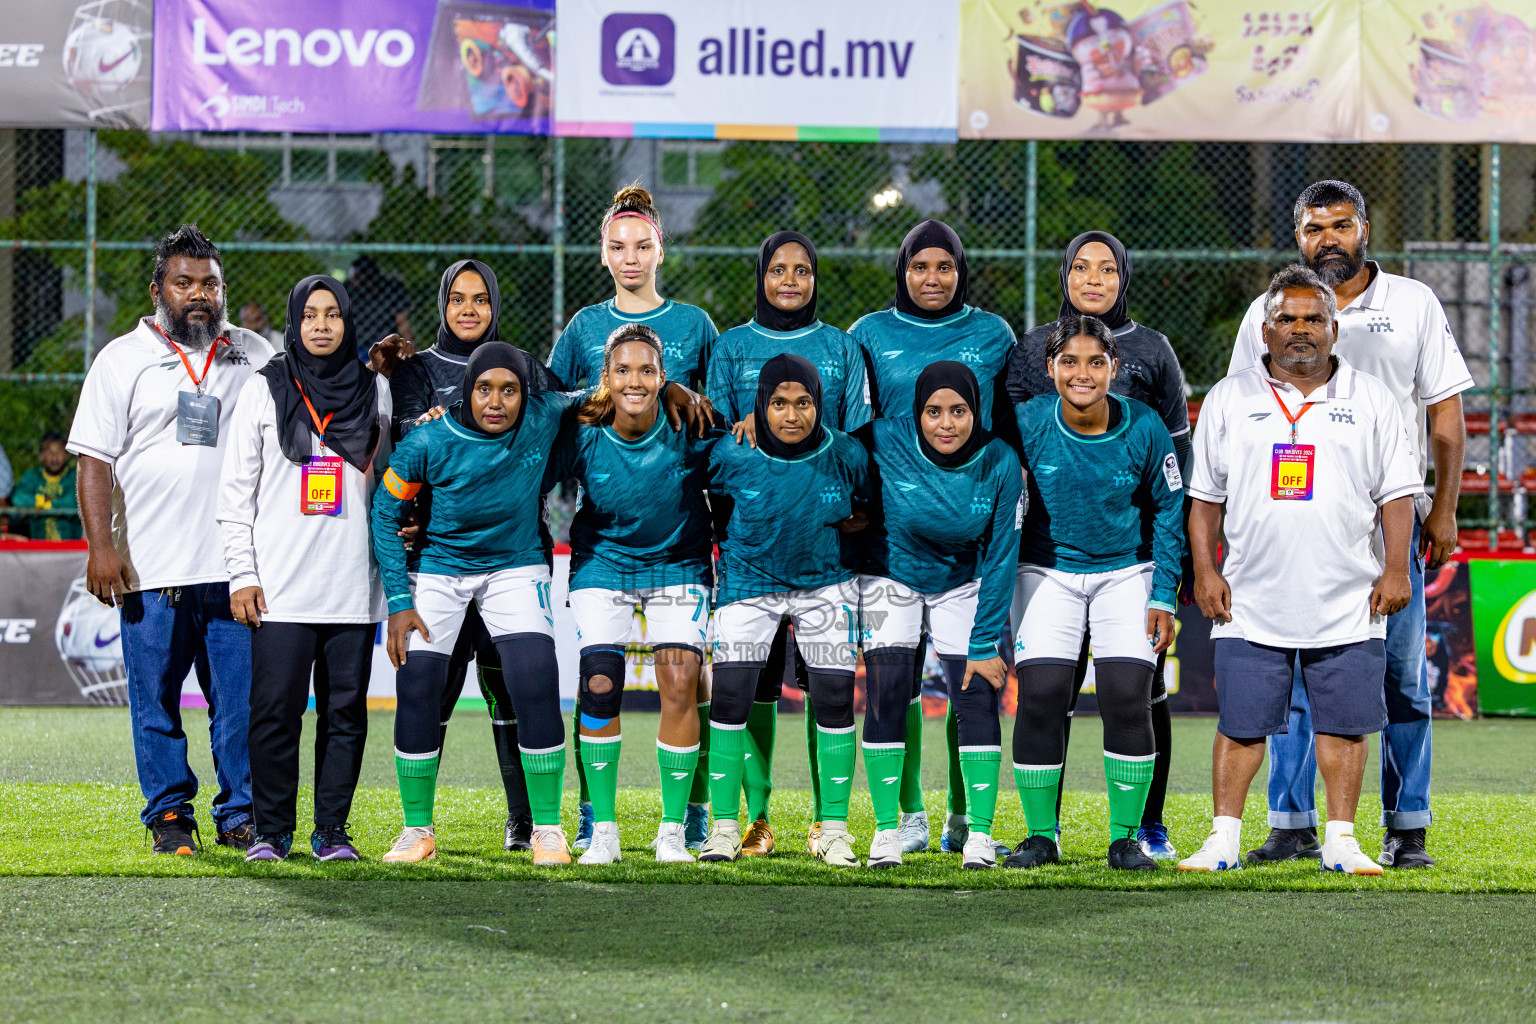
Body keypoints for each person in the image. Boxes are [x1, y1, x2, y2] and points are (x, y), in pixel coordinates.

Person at [372, 343, 706, 865]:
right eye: (484, 389)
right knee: (417, 683)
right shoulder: (428, 441)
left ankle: (547, 829)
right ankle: (417, 830)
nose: (497, 401)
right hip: (440, 569)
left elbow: (608, 390)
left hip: (516, 565)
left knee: (534, 677)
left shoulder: (546, 412)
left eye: (509, 390)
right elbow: (383, 514)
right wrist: (398, 597)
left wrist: (671, 387)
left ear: (526, 395)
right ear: (467, 390)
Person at [1228, 180, 1471, 868]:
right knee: (1296, 676)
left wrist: (1444, 508)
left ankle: (1407, 826)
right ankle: (1293, 822)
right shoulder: (1268, 313)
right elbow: (1243, 416)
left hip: (1386, 527)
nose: (1326, 239)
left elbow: (1445, 418)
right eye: (1313, 228)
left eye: (1339, 225)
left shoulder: (1413, 303)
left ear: (1364, 227)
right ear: (1297, 236)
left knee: (1400, 680)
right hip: (1294, 526)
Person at [1182, 264, 1420, 875]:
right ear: (1264, 331)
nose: (1300, 330)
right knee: (1241, 725)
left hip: (1348, 593)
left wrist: (1396, 570)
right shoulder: (1230, 398)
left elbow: (1397, 494)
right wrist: (1205, 574)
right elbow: (1205, 497)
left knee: (1345, 726)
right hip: (1253, 595)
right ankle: (1224, 839)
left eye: (1313, 318)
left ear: (1334, 329)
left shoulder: (1373, 398)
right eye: (1286, 319)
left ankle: (1341, 840)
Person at [65, 224, 272, 855]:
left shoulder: (256, 353)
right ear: (159, 290)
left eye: (210, 283)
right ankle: (170, 816)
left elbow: (315, 405)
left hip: (238, 570)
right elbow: (94, 461)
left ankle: (241, 814)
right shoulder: (120, 359)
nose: (199, 294)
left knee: (239, 707)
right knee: (154, 703)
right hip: (151, 570)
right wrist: (102, 547)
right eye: (185, 283)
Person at [1005, 229, 1191, 860]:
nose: (1082, 373)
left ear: (1116, 369)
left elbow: (1170, 504)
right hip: (1046, 571)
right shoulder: (1026, 420)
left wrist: (1165, 588)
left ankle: (1128, 837)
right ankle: (1039, 835)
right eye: (1069, 363)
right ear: (1049, 368)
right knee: (1042, 697)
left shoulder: (1144, 422)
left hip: (1127, 571)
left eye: (1096, 364)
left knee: (1126, 697)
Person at [546, 184, 719, 851]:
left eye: (642, 245)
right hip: (604, 539)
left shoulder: (697, 326)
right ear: (602, 253)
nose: (630, 257)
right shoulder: (583, 329)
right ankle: (598, 823)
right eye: (618, 247)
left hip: (679, 532)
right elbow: (558, 409)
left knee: (685, 676)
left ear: (660, 250)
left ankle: (689, 814)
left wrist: (679, 388)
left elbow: (712, 416)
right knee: (599, 679)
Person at [851, 219, 1018, 857]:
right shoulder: (868, 335)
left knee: (972, 687)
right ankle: (897, 823)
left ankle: (969, 828)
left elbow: (1008, 419)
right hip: (890, 552)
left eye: (944, 266)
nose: (931, 279)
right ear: (902, 269)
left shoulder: (992, 335)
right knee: (888, 690)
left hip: (965, 556)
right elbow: (841, 435)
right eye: (919, 266)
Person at [706, 230, 872, 857]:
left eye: (803, 270)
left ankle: (830, 826)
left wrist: (851, 514)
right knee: (745, 689)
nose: (790, 281)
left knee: (830, 690)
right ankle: (748, 820)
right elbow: (714, 450)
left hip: (824, 560)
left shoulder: (841, 347)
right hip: (750, 557)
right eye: (778, 269)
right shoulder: (731, 347)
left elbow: (859, 457)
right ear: (762, 274)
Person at [218, 276, 391, 862]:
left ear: (348, 322)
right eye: (311, 315)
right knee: (274, 716)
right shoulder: (263, 390)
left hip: (351, 586)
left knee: (345, 715)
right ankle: (271, 832)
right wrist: (242, 575)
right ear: (294, 322)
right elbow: (234, 495)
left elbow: (391, 490)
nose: (322, 325)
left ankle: (332, 832)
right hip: (280, 590)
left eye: (333, 314)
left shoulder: (377, 391)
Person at [388, 259, 554, 854]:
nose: (468, 309)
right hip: (436, 556)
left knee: (512, 692)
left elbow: (563, 425)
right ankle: (418, 825)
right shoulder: (413, 370)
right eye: (457, 298)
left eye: (480, 299)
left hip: (513, 554)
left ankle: (527, 820)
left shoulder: (527, 367)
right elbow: (400, 449)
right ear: (442, 303)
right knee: (432, 686)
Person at [11, 434, 80, 540]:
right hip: (39, 545)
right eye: (49, 452)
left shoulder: (73, 477)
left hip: (70, 544)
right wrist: (42, 500)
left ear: (66, 455)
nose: (54, 457)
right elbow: (18, 498)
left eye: (59, 452)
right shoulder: (33, 476)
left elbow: (72, 500)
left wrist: (45, 505)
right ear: (41, 455)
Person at [349, 256, 414, 363]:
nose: (354, 281)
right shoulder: (349, 291)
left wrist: (412, 351)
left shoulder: (391, 289)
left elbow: (402, 322)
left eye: (357, 277)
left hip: (386, 346)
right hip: (360, 347)